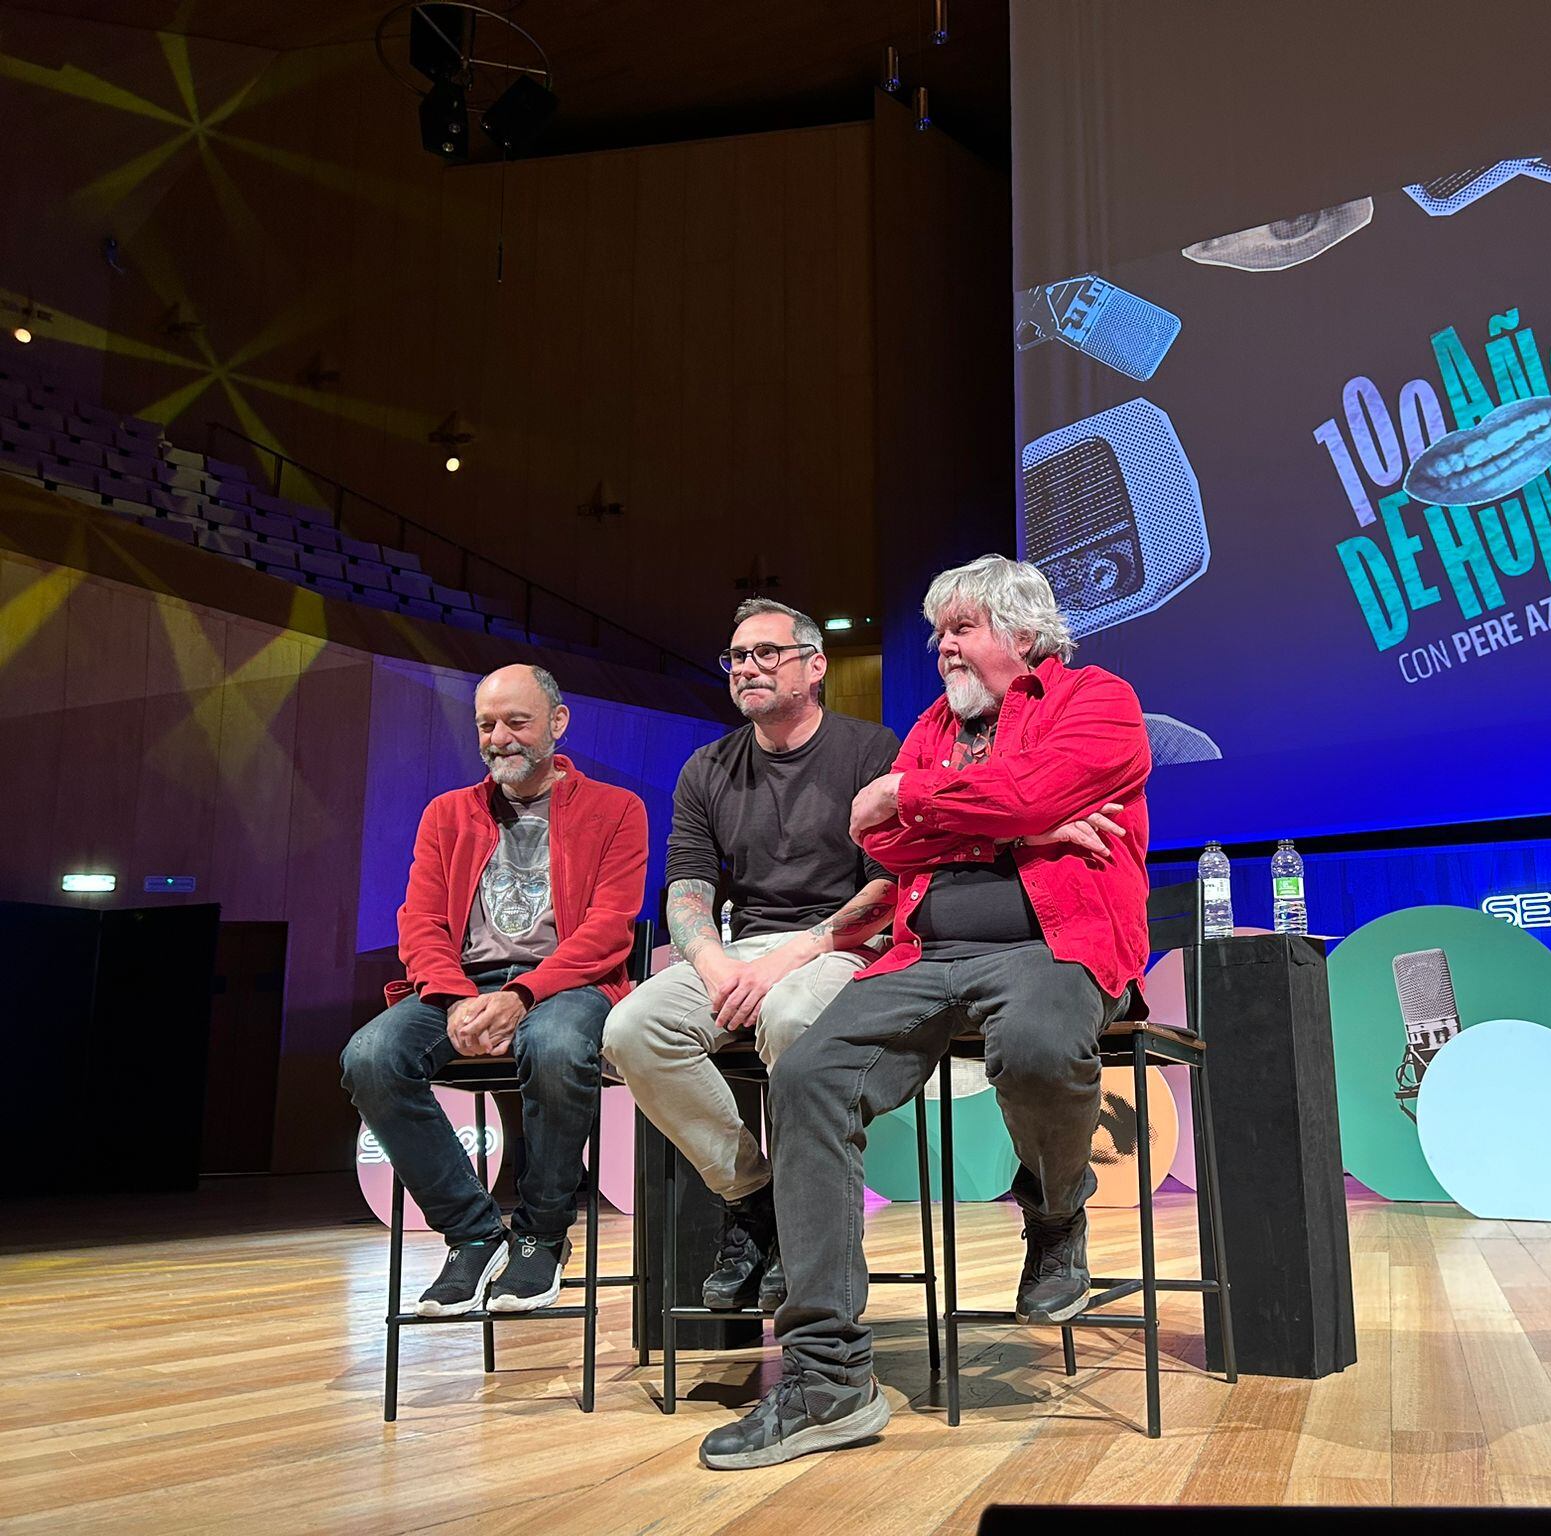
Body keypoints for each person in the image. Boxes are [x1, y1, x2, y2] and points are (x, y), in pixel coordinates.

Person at [699, 554, 1152, 1470]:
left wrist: (918, 794)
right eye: (938, 629)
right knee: (808, 1076)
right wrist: (1015, 822)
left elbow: (938, 802)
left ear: (1024, 637)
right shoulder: (933, 726)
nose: (942, 646)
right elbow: (870, 837)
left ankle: (1058, 1210)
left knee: (1030, 1043)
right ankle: (828, 1379)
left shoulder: (1097, 699)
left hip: (1056, 946)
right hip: (926, 952)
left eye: (963, 628)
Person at [603, 599, 899, 1311]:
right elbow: (688, 889)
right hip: (740, 949)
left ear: (815, 665)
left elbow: (891, 889)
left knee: (795, 1021)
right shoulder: (707, 769)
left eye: (767, 653)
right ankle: (755, 1200)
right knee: (631, 1030)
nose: (748, 668)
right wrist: (711, 964)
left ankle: (809, 1236)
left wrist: (787, 959)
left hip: (837, 943)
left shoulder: (871, 751)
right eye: (737, 657)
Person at [342, 664, 648, 1315]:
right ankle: (472, 1232)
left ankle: (539, 1237)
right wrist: (454, 1000)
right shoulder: (447, 813)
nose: (500, 737)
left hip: (569, 985)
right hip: (462, 988)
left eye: (517, 721)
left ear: (557, 724)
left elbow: (609, 931)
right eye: (487, 724)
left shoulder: (617, 809)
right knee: (370, 1058)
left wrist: (522, 995)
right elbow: (419, 922)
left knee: (560, 1047)